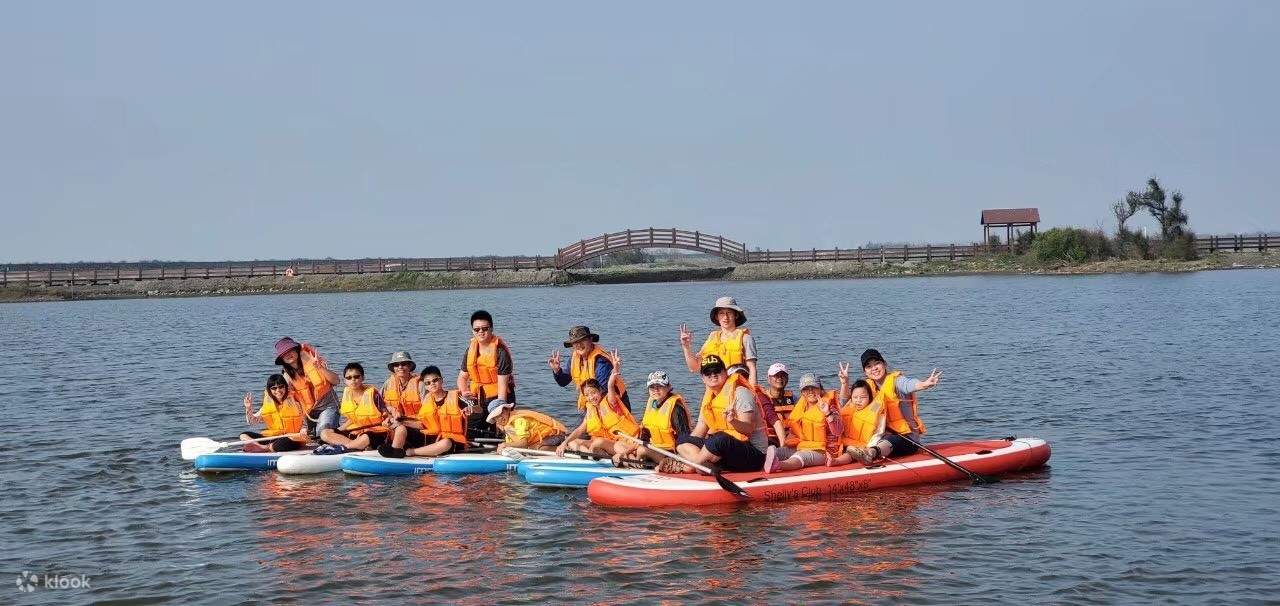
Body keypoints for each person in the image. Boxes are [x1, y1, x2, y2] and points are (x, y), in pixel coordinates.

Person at [672, 354, 768, 473]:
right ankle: (703, 464)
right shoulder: (709, 399)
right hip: (725, 451)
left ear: (725, 373)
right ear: (703, 378)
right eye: (708, 373)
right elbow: (698, 433)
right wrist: (685, 446)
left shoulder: (741, 393)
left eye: (717, 371)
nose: (713, 375)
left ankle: (691, 467)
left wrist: (733, 421)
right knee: (683, 440)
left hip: (754, 456)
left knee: (719, 439)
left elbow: (748, 428)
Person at [845, 349, 942, 457]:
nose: (874, 368)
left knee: (890, 439)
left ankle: (870, 453)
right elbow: (846, 404)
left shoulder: (897, 381)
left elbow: (908, 384)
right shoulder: (867, 388)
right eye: (869, 366)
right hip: (880, 436)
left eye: (877, 363)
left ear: (884, 364)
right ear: (865, 372)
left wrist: (924, 384)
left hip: (907, 439)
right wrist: (844, 383)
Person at [556, 351, 640, 457]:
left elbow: (610, 385)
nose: (591, 397)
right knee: (571, 441)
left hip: (623, 442)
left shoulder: (610, 401)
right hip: (605, 442)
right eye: (587, 395)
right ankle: (588, 455)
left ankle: (592, 454)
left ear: (600, 391)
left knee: (598, 442)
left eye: (593, 393)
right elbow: (580, 429)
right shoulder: (591, 408)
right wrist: (564, 443)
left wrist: (615, 369)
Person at [380, 365, 469, 458]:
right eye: (428, 383)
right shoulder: (428, 400)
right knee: (401, 427)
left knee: (446, 443)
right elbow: (422, 424)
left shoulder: (456, 397)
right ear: (425, 386)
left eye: (435, 380)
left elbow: (477, 408)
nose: (432, 384)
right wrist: (401, 421)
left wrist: (470, 409)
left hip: (452, 441)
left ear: (441, 380)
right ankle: (396, 451)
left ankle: (411, 452)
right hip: (432, 437)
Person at [764, 373, 842, 473]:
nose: (810, 392)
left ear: (820, 389)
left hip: (825, 451)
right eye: (806, 389)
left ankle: (779, 465)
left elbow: (838, 431)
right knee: (779, 452)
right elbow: (794, 431)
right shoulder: (801, 406)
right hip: (804, 445)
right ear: (802, 392)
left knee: (800, 456)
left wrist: (827, 413)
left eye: (813, 387)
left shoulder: (829, 406)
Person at [457, 310, 515, 440]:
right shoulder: (470, 350)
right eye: (477, 329)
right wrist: (464, 391)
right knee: (468, 430)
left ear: (491, 329)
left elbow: (502, 386)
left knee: (500, 432)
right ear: (473, 331)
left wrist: (501, 410)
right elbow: (462, 377)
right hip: (477, 398)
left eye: (484, 328)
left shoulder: (500, 352)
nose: (481, 332)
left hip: (498, 398)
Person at [613, 370, 691, 465]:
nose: (655, 390)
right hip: (654, 448)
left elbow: (684, 437)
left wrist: (682, 456)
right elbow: (644, 437)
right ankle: (633, 460)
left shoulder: (676, 409)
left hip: (672, 453)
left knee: (642, 450)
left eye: (659, 386)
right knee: (618, 445)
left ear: (668, 387)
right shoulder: (651, 404)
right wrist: (626, 452)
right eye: (652, 387)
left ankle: (635, 462)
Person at [548, 325, 631, 411]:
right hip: (592, 402)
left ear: (590, 340)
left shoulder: (601, 361)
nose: (579, 345)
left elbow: (604, 392)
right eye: (575, 342)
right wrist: (557, 370)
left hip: (615, 406)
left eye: (582, 340)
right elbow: (563, 382)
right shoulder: (574, 358)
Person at [679, 296, 759, 385]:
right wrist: (686, 347)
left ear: (735, 315)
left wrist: (753, 393)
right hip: (717, 392)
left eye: (729, 313)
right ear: (717, 316)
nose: (726, 317)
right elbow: (694, 368)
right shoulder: (712, 338)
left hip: (738, 389)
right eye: (721, 313)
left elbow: (752, 368)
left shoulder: (746, 338)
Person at [273, 337, 341, 439]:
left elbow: (336, 381)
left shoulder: (314, 362)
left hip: (328, 407)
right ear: (281, 359)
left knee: (323, 434)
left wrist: (319, 367)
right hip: (309, 414)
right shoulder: (286, 376)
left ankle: (347, 444)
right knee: (310, 438)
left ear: (297, 350)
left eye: (289, 350)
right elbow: (282, 398)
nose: (287, 355)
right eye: (283, 354)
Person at [317, 363, 390, 452]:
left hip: (376, 432)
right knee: (325, 433)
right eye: (349, 378)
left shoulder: (373, 394)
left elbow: (385, 413)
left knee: (365, 438)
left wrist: (387, 420)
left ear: (362, 378)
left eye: (356, 377)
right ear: (345, 381)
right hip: (356, 431)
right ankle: (355, 445)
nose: (353, 380)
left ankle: (348, 446)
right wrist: (338, 430)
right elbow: (353, 418)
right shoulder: (347, 393)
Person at [239, 374, 308, 453]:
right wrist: (248, 408)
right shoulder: (267, 406)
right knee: (243, 435)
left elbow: (305, 422)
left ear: (285, 387)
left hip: (292, 438)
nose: (278, 390)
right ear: (269, 390)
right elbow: (252, 422)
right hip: (273, 437)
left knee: (286, 441)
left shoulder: (296, 403)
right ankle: (260, 446)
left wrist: (303, 430)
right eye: (274, 388)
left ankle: (264, 448)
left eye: (281, 387)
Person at [830, 375, 887, 465]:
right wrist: (844, 382)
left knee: (850, 453)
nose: (858, 400)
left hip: (863, 446)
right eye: (855, 397)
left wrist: (870, 447)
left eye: (863, 397)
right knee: (847, 449)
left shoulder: (874, 409)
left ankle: (837, 461)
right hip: (845, 442)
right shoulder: (848, 407)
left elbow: (879, 431)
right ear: (851, 397)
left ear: (870, 398)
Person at [488, 401, 569, 453]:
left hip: (557, 435)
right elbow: (515, 443)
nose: (500, 418)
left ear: (508, 410)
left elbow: (523, 443)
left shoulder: (519, 420)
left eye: (501, 413)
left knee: (534, 449)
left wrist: (505, 445)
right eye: (496, 416)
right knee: (529, 449)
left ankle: (565, 450)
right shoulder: (507, 426)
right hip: (541, 439)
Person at [382, 351, 422, 419]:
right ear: (393, 368)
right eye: (396, 365)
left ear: (410, 366)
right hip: (394, 419)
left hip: (416, 421)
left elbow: (428, 407)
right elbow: (379, 404)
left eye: (403, 364)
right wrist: (390, 409)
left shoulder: (420, 384)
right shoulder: (388, 383)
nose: (400, 367)